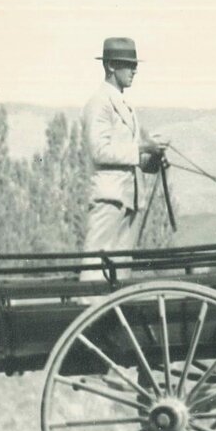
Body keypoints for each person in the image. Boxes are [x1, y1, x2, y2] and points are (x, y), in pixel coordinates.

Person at [80, 36, 169, 281]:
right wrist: (142, 146)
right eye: (128, 65)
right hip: (110, 198)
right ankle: (89, 311)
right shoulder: (99, 103)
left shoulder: (122, 104)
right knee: (96, 266)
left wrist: (151, 159)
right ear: (111, 66)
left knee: (119, 271)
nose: (134, 70)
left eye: (134, 65)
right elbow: (100, 150)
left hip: (128, 199)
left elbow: (128, 155)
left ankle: (110, 315)